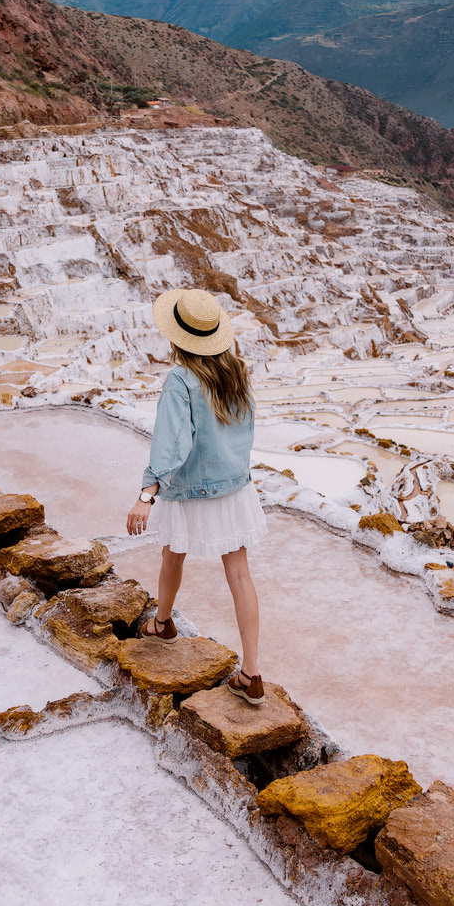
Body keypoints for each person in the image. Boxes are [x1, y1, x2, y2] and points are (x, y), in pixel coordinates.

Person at [125, 287, 268, 706]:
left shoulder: (179, 380)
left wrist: (147, 495)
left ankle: (163, 623)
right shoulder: (237, 371)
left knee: (173, 553)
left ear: (177, 337)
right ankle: (252, 674)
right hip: (234, 488)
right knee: (240, 575)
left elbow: (172, 446)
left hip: (189, 489)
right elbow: (245, 432)